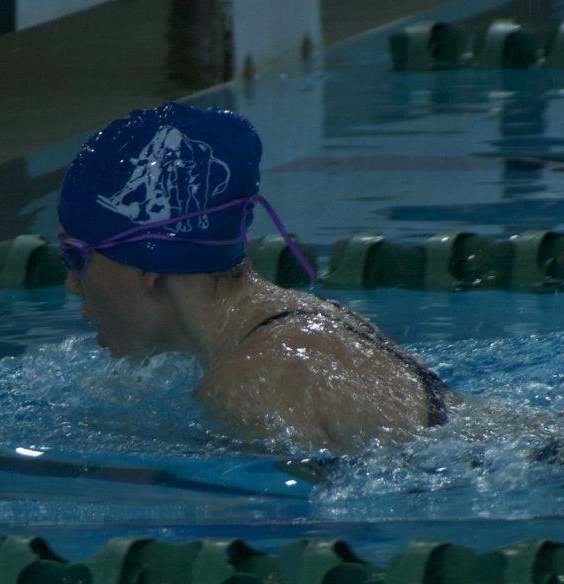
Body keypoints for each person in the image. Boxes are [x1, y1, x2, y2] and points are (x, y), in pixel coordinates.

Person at [57, 102, 455, 455]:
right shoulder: (308, 319)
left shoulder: (249, 382)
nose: (72, 284)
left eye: (74, 255)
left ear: (149, 264)